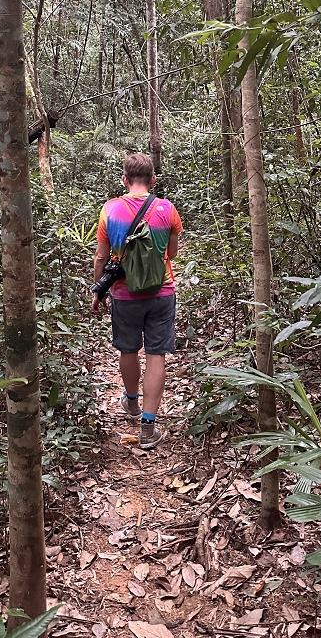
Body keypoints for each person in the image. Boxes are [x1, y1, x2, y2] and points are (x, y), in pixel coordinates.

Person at [92, 152, 183, 449]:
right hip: (161, 292)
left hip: (123, 293)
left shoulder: (110, 210)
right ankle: (148, 426)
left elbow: (101, 257)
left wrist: (99, 291)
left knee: (128, 349)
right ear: (153, 180)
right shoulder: (167, 209)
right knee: (157, 354)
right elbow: (172, 254)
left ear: (124, 180)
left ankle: (131, 402)